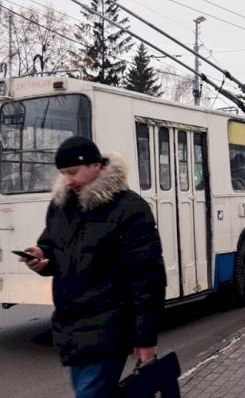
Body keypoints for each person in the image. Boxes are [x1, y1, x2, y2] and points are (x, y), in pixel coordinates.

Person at [19, 136, 167, 398]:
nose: (68, 180)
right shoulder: (61, 205)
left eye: (73, 172)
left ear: (97, 166)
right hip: (71, 328)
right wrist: (41, 256)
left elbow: (148, 278)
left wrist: (145, 338)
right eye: (63, 173)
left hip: (110, 328)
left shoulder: (130, 209)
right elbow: (52, 245)